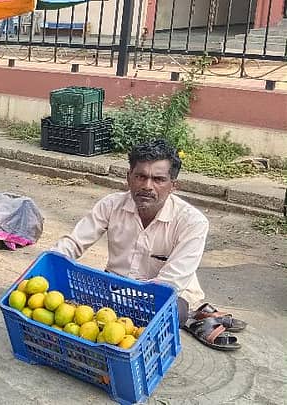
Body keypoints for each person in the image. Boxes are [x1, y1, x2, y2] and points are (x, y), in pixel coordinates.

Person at [51, 140, 246, 351]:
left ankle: (193, 316)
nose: (147, 186)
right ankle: (199, 317)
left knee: (172, 314)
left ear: (173, 185)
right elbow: (74, 243)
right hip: (116, 284)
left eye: (159, 179)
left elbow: (168, 284)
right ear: (128, 178)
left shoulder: (192, 222)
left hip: (165, 295)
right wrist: (48, 261)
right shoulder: (110, 205)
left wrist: (118, 302)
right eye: (140, 176)